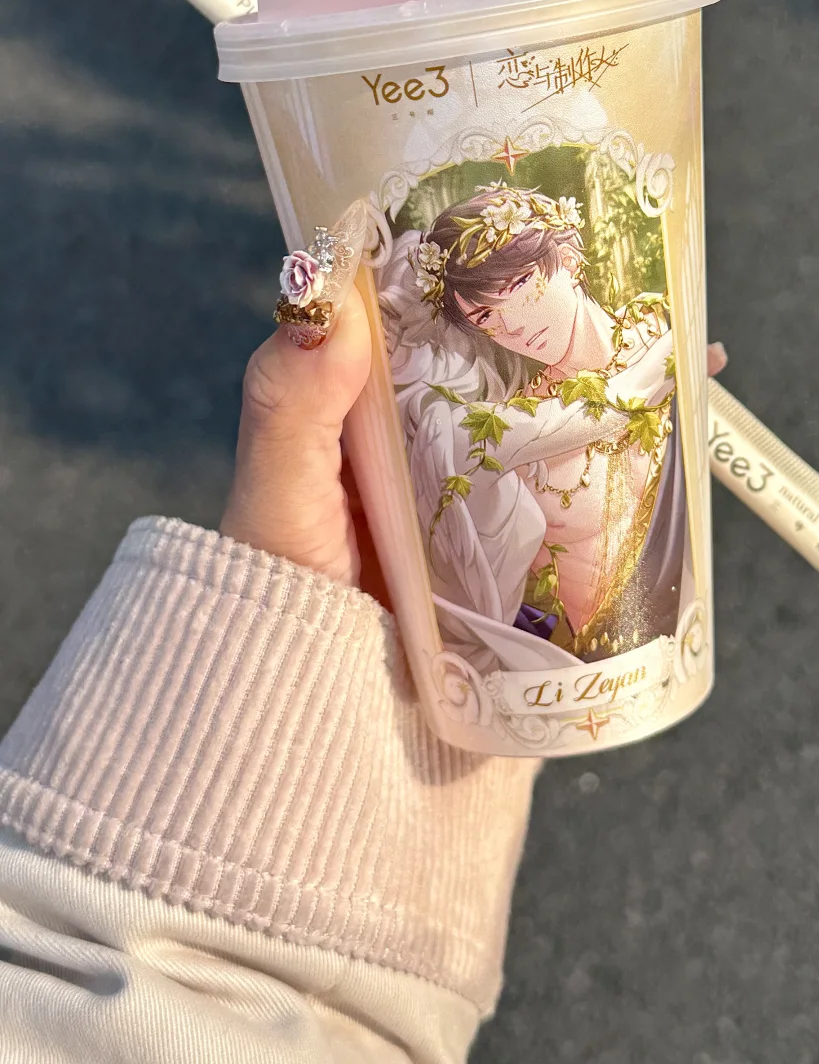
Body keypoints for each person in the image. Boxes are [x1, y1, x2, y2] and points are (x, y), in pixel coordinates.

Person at [0, 247, 726, 1062]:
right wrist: (654, 371)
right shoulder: (460, 412)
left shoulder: (509, 387)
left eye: (502, 299)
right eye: (477, 314)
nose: (495, 326)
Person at [379, 185, 689, 672]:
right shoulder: (513, 426)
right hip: (577, 664)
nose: (513, 325)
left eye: (520, 286)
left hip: (681, 627)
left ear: (567, 259)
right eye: (485, 315)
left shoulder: (659, 327)